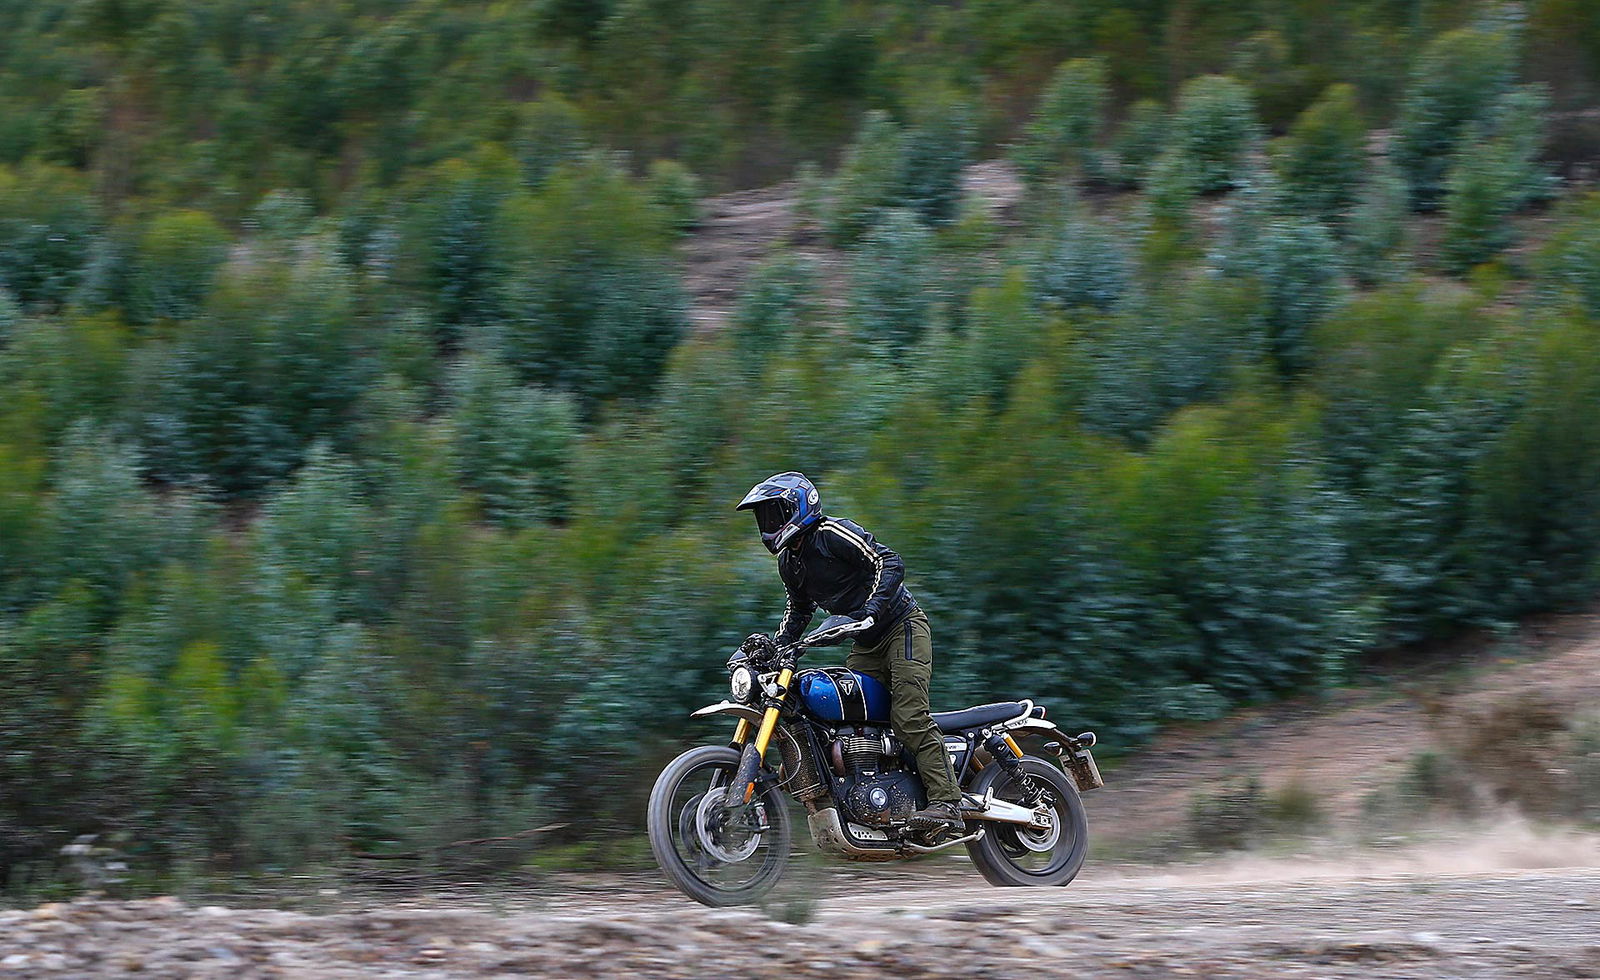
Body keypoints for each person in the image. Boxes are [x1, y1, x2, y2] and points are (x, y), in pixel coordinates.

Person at [736, 471, 963, 835]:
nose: (768, 524)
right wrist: (778, 645)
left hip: (901, 626)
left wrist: (871, 609)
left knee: (908, 716)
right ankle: (888, 799)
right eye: (764, 517)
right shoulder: (790, 563)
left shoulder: (832, 534)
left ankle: (948, 803)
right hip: (865, 644)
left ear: (798, 507)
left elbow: (889, 562)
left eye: (774, 513)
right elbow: (800, 610)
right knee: (845, 721)